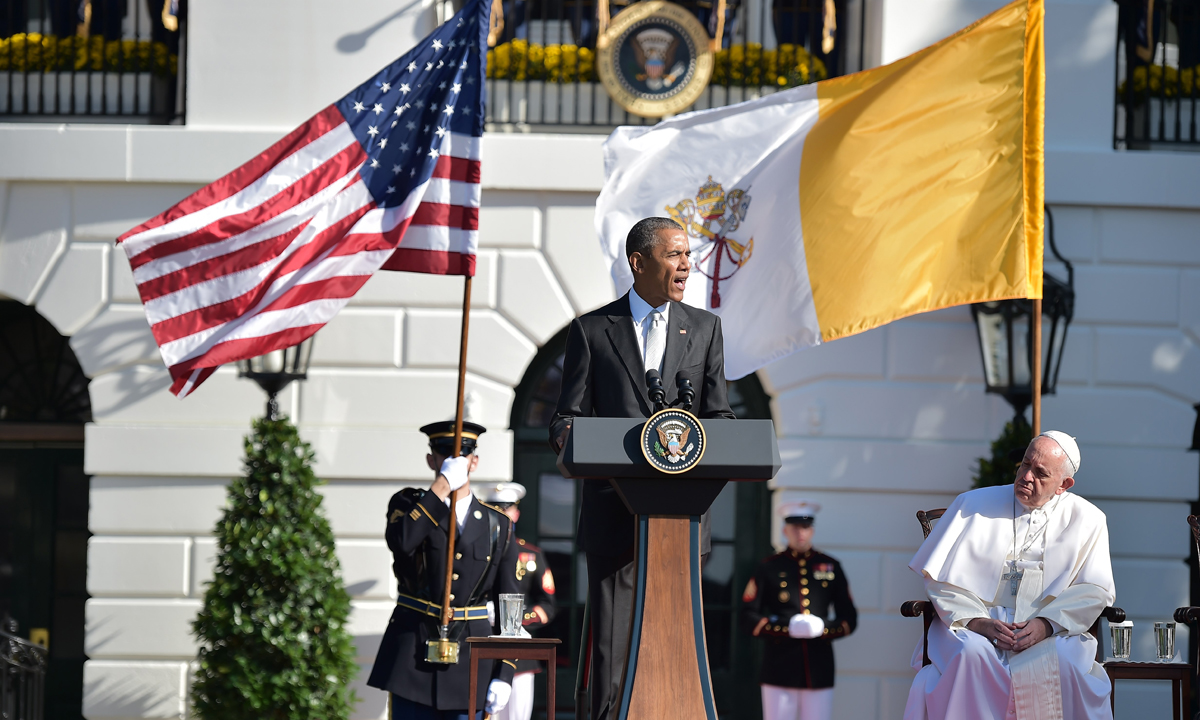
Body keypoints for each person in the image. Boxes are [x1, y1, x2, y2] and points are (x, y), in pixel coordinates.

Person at [550, 216, 736, 720]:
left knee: (674, 642)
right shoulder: (592, 331)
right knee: (613, 644)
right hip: (615, 515)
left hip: (681, 518)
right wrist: (572, 438)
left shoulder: (704, 328)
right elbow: (566, 416)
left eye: (687, 254)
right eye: (674, 254)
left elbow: (718, 415)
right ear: (639, 262)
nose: (686, 264)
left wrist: (722, 438)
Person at [903, 431, 1116, 720]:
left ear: (1064, 485)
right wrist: (979, 622)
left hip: (1049, 628)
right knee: (971, 654)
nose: (1027, 476)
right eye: (1025, 464)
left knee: (1063, 661)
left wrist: (1046, 624)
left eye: (1041, 473)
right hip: (974, 622)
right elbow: (940, 580)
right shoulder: (973, 505)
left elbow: (1094, 590)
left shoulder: (1089, 520)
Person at [367, 421, 519, 719]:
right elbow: (402, 542)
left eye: (462, 454)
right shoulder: (408, 505)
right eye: (444, 453)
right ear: (431, 460)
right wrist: (441, 487)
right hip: (412, 660)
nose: (454, 460)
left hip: (471, 667)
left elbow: (509, 603)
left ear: (474, 461)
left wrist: (506, 671)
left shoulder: (497, 525)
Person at [741, 501, 857, 720]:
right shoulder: (769, 567)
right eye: (794, 528)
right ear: (785, 531)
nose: (800, 533)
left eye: (805, 527)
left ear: (812, 530)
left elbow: (849, 619)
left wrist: (824, 628)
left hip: (819, 668)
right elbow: (747, 617)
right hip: (778, 667)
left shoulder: (831, 565)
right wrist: (786, 628)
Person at [477, 482, 558, 720]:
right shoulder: (474, 551)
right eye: (495, 509)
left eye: (506, 509)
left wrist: (514, 618)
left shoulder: (531, 555)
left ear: (516, 513)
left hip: (520, 655)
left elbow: (548, 605)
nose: (501, 515)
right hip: (480, 641)